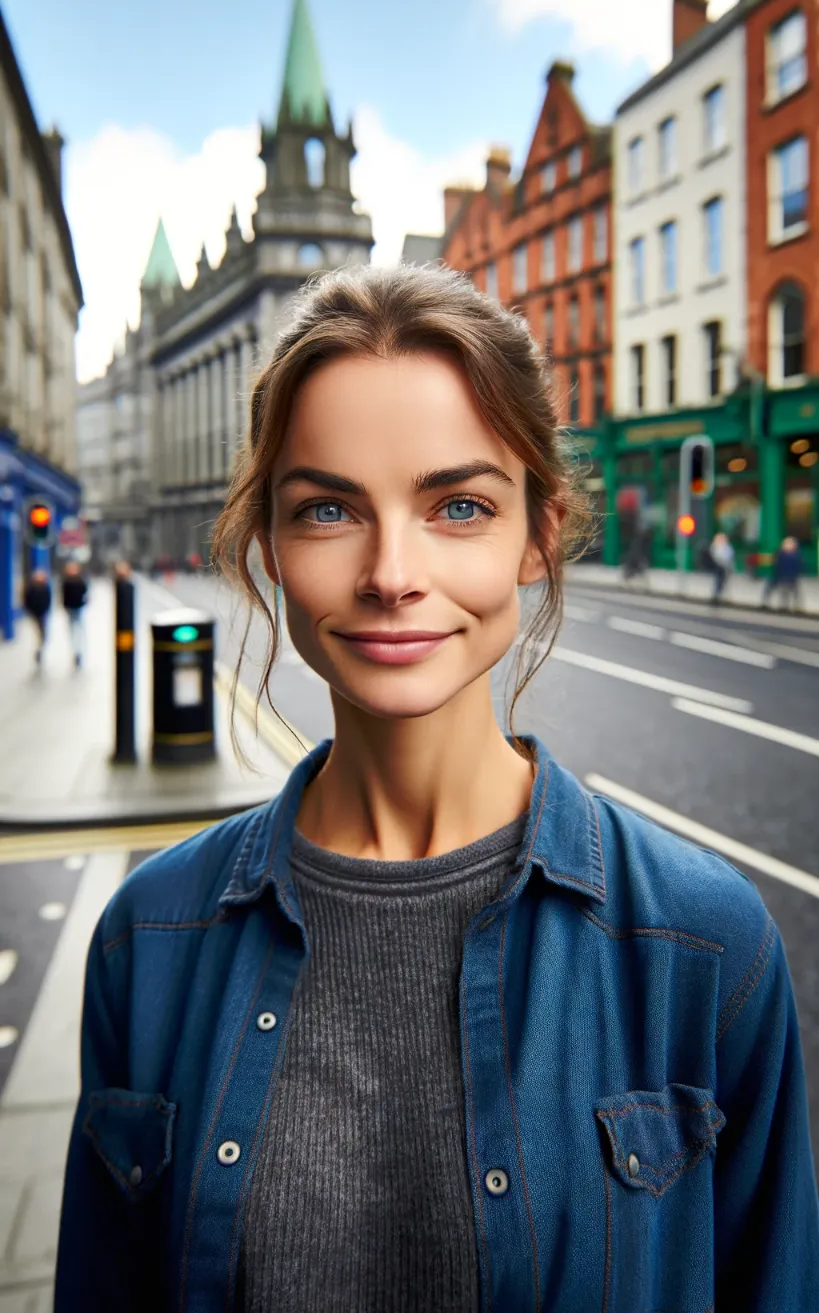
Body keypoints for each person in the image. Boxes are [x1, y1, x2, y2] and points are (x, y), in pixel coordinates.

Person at [55, 267, 819, 1312]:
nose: (392, 572)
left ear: (539, 533)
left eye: (459, 505)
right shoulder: (148, 938)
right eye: (328, 508)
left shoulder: (705, 945)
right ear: (269, 544)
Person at [762, 535, 803, 611]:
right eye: (786, 544)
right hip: (779, 575)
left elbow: (798, 566)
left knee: (790, 591)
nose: (788, 546)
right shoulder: (780, 553)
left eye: (790, 544)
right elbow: (775, 563)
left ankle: (790, 606)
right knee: (772, 589)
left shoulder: (795, 555)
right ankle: (767, 602)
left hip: (789, 577)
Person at [61, 561, 88, 668]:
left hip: (78, 608)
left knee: (79, 628)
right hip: (70, 608)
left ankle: (79, 650)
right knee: (72, 628)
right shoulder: (66, 582)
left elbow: (85, 593)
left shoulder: (80, 581)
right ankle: (75, 650)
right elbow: (63, 595)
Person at [22, 567, 51, 668]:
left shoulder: (45, 587)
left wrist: (46, 611)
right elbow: (26, 601)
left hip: (43, 614)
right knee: (38, 634)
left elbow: (48, 600)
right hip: (34, 615)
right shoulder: (30, 588)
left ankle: (39, 650)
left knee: (43, 635)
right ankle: (38, 650)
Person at [708, 530, 735, 604]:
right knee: (719, 580)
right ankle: (717, 595)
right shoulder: (716, 546)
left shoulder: (727, 547)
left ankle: (720, 595)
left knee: (724, 581)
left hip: (726, 566)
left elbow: (730, 555)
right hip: (719, 566)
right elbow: (716, 556)